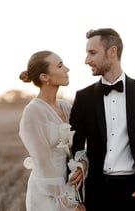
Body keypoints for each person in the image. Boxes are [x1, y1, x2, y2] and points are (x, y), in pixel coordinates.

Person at [70, 28, 135, 211]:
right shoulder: (83, 98)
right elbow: (73, 149)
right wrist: (76, 198)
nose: (87, 60)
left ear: (112, 52)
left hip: (134, 192)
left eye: (92, 53)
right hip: (95, 194)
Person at [19, 50, 86, 211]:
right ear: (45, 77)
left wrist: (83, 164)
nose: (67, 69)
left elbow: (80, 145)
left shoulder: (67, 107)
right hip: (48, 195)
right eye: (60, 66)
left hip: (70, 187)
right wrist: (68, 204)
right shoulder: (33, 112)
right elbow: (43, 163)